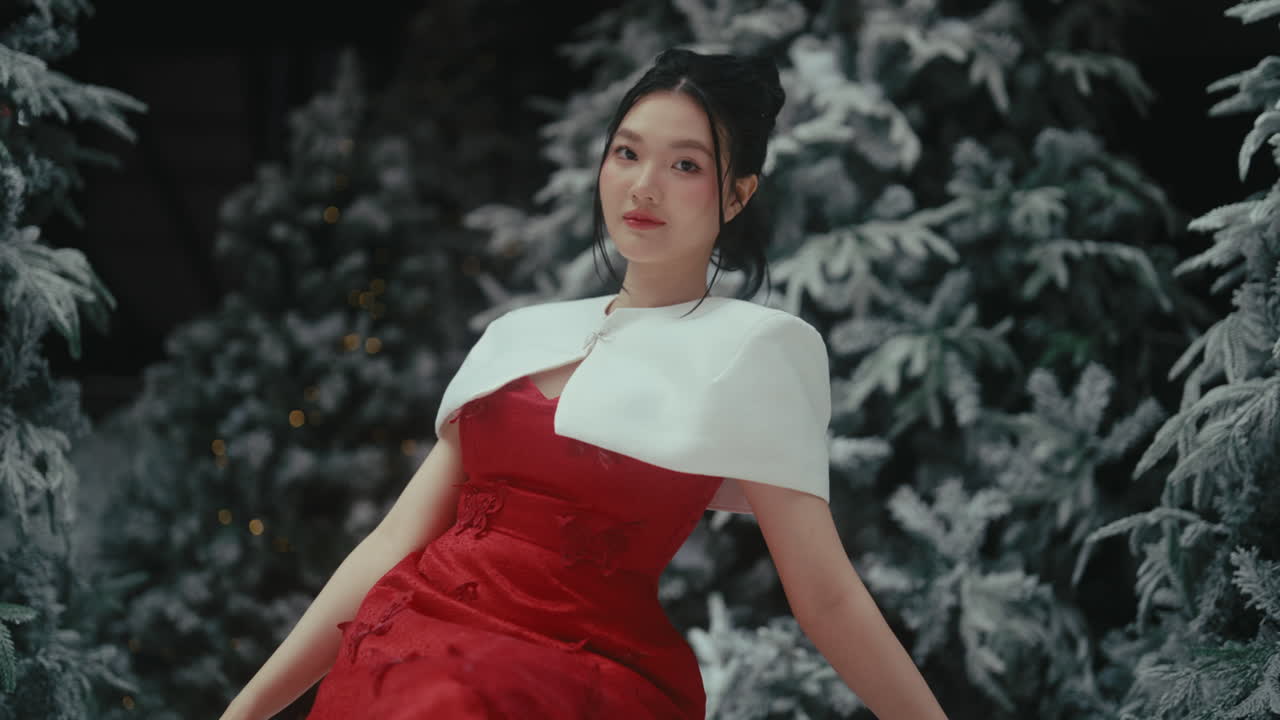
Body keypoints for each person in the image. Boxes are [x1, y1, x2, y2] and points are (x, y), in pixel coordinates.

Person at [221, 48, 949, 719]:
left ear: (738, 193)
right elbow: (390, 544)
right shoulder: (519, 334)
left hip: (573, 676)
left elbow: (826, 597)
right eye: (627, 153)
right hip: (405, 650)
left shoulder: (754, 350)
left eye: (685, 166)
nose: (644, 185)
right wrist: (247, 711)